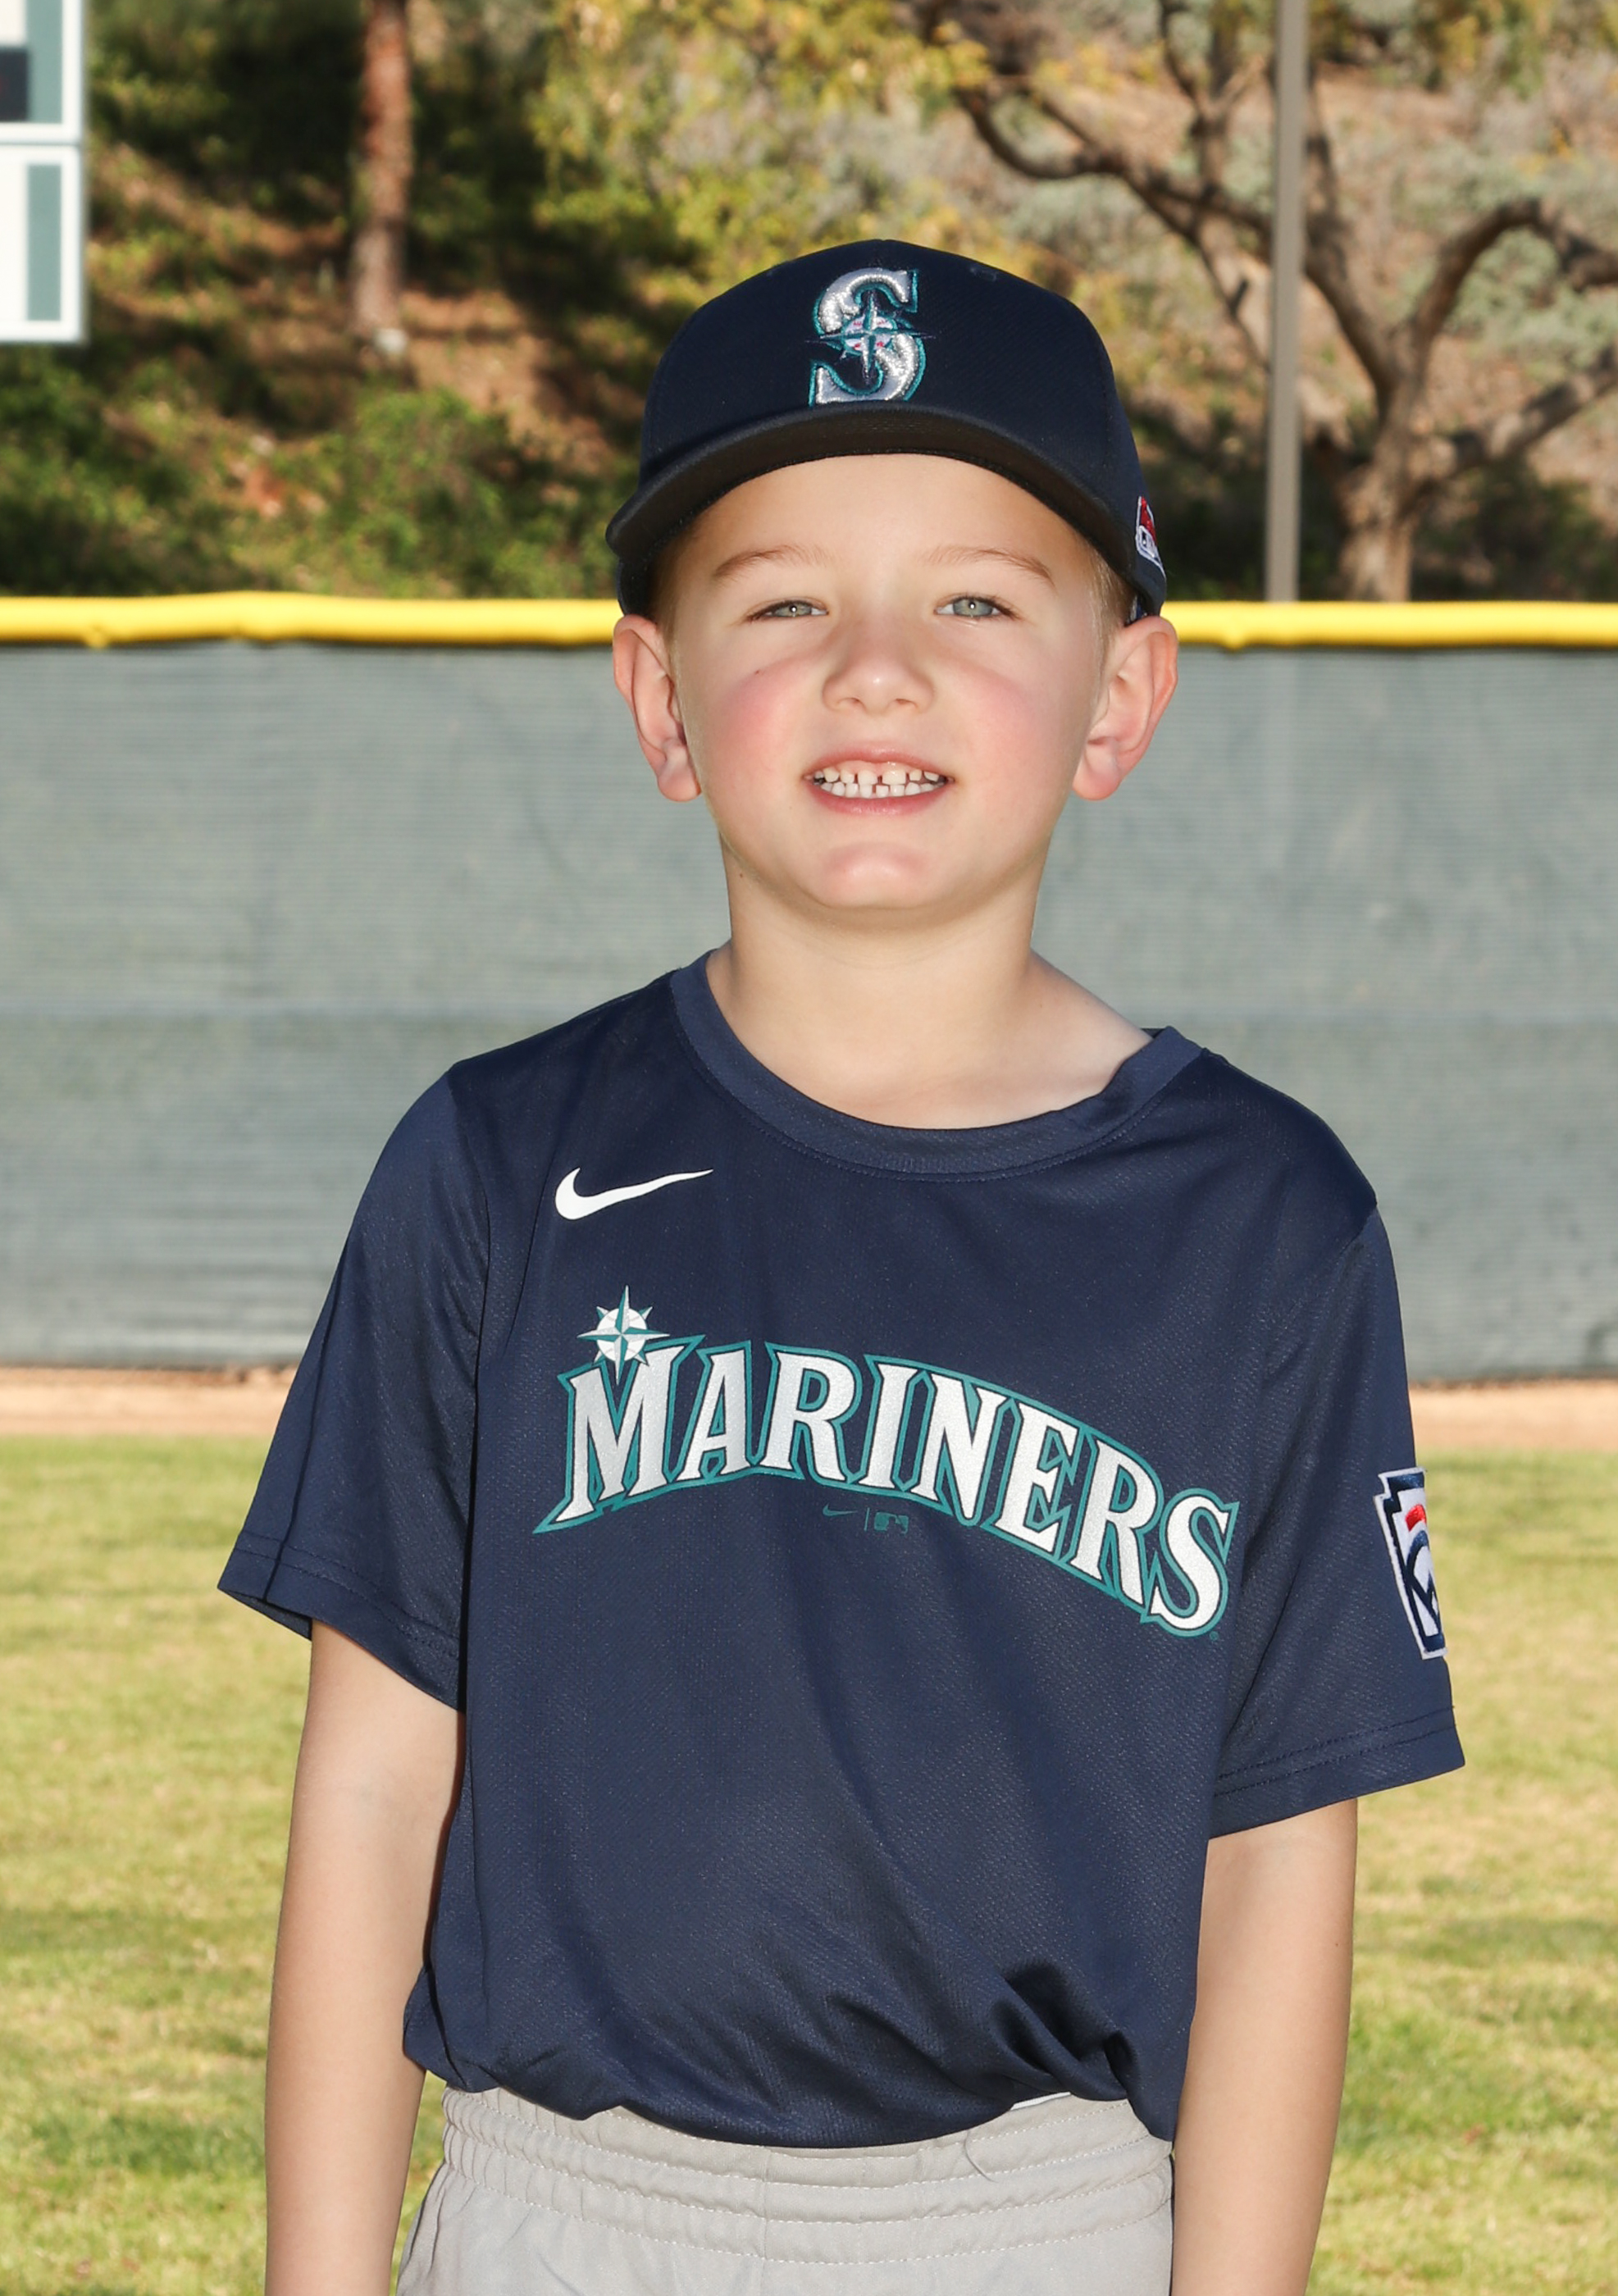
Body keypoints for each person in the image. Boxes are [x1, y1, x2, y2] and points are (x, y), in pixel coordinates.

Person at [221, 241, 1462, 2296]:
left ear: (1119, 696)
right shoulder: (496, 1162)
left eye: (974, 600)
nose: (876, 669)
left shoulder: (1264, 1218)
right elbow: (369, 1790)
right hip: (563, 2217)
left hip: (1040, 2225)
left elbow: (1273, 1866)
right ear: (661, 699)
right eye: (785, 601)